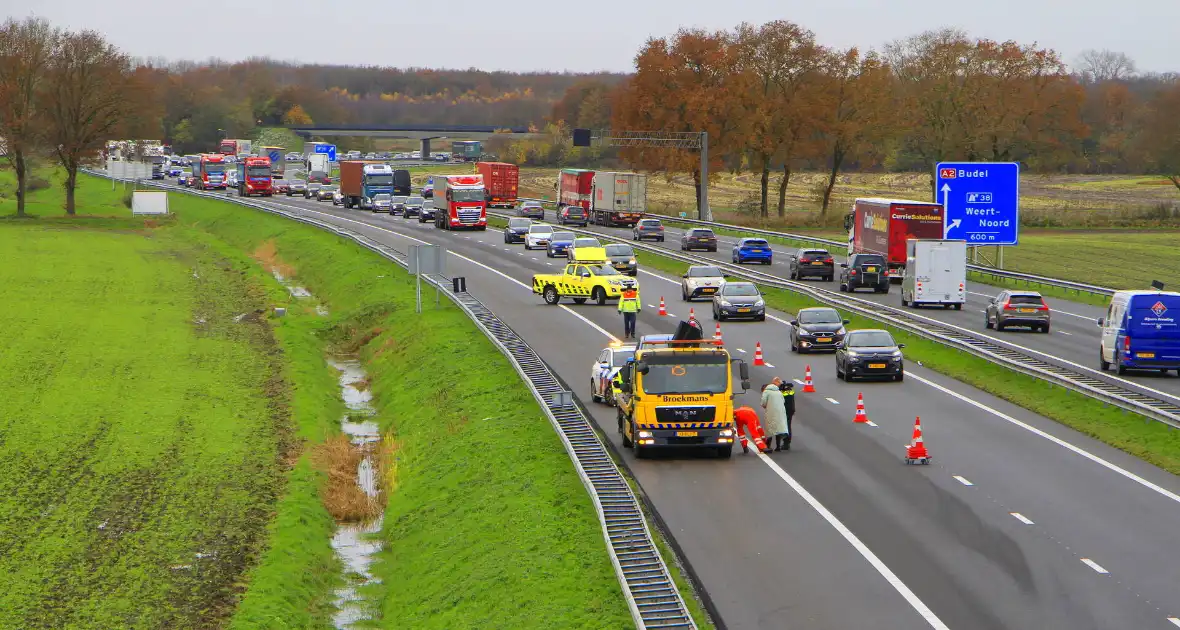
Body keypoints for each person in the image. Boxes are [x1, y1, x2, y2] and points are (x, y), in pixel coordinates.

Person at [760, 382, 790, 452]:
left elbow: (763, 402)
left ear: (764, 389)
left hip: (771, 412)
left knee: (770, 428)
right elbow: (783, 401)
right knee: (778, 428)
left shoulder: (766, 392)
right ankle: (778, 446)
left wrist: (766, 406)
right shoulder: (779, 392)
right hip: (780, 412)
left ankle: (768, 446)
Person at [773, 377, 795, 451]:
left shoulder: (781, 391)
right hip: (790, 410)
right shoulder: (789, 389)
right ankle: (786, 442)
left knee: (785, 426)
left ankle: (786, 443)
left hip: (785, 410)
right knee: (787, 425)